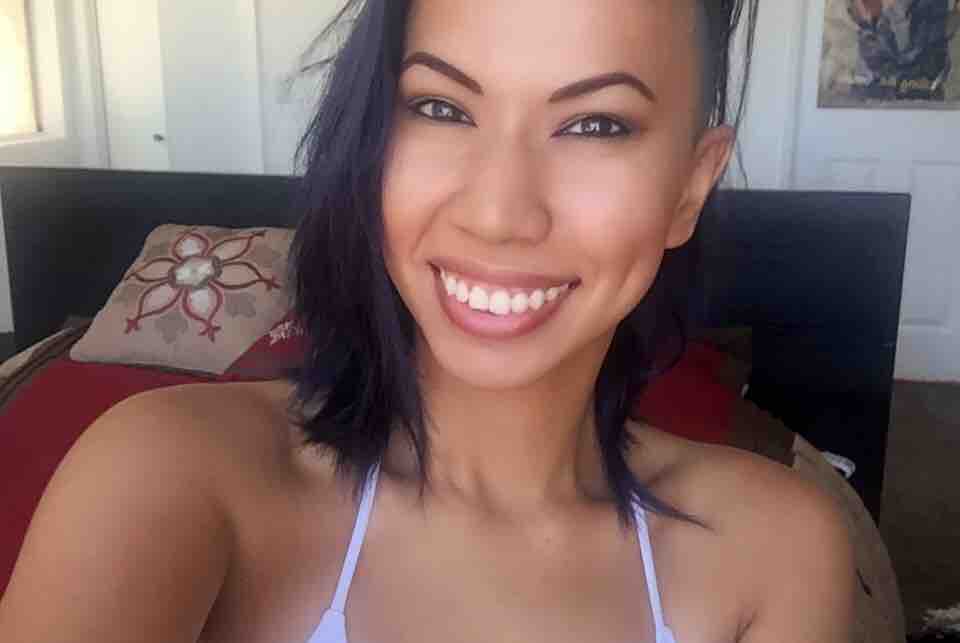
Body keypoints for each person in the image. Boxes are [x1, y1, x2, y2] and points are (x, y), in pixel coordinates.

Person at [0, 1, 856, 641]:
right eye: (441, 107)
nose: (498, 213)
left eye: (596, 124)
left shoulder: (776, 553)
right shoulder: (169, 472)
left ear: (690, 188)